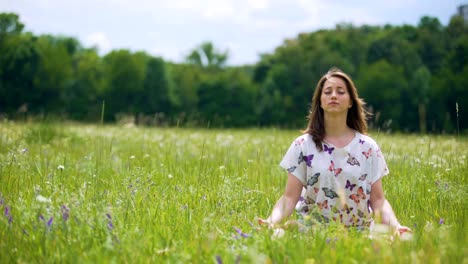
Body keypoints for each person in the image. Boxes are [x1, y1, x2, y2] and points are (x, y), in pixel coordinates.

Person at [259, 67, 411, 235]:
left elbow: (378, 200)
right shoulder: (303, 145)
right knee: (277, 237)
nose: (333, 96)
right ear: (320, 101)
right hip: (313, 233)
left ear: (351, 101)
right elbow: (289, 198)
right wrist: (271, 221)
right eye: (327, 92)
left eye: (340, 92)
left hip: (359, 233)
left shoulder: (368, 147)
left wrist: (396, 226)